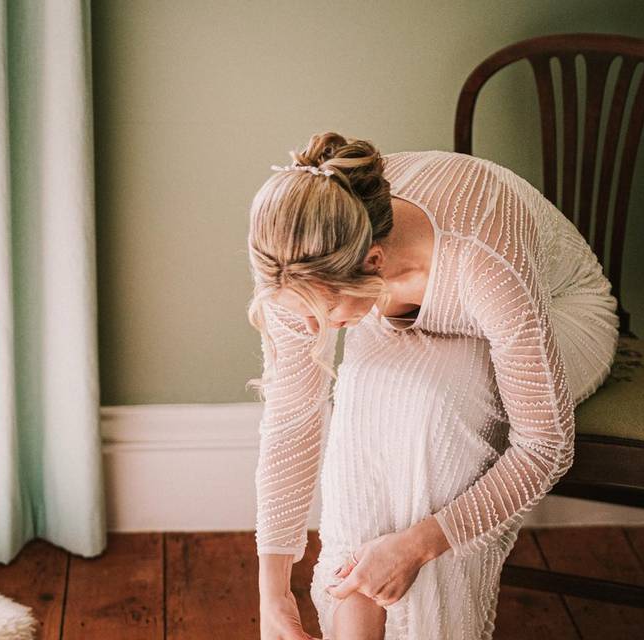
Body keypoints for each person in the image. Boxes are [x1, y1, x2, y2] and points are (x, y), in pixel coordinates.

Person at [246, 132, 619, 640]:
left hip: (560, 310)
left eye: (324, 312)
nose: (311, 328)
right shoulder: (300, 248)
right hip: (429, 297)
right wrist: (273, 595)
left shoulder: (485, 267)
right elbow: (292, 417)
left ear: (373, 264)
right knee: (367, 393)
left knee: (437, 417)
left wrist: (417, 545)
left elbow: (545, 446)